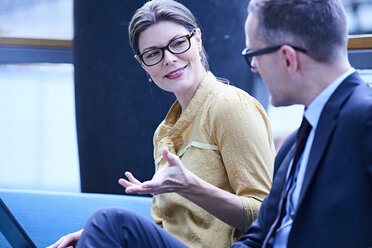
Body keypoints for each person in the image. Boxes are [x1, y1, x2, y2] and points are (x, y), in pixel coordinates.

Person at [48, 0, 275, 247]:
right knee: (103, 228)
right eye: (153, 53)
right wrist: (98, 236)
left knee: (111, 220)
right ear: (143, 64)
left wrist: (190, 186)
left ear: (197, 40)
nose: (168, 59)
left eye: (178, 43)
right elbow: (171, 226)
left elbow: (267, 217)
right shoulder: (164, 133)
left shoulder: (230, 105)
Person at [232, 0, 372, 247]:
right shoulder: (297, 141)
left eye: (254, 55)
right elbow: (259, 236)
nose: (253, 67)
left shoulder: (364, 118)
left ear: (287, 59)